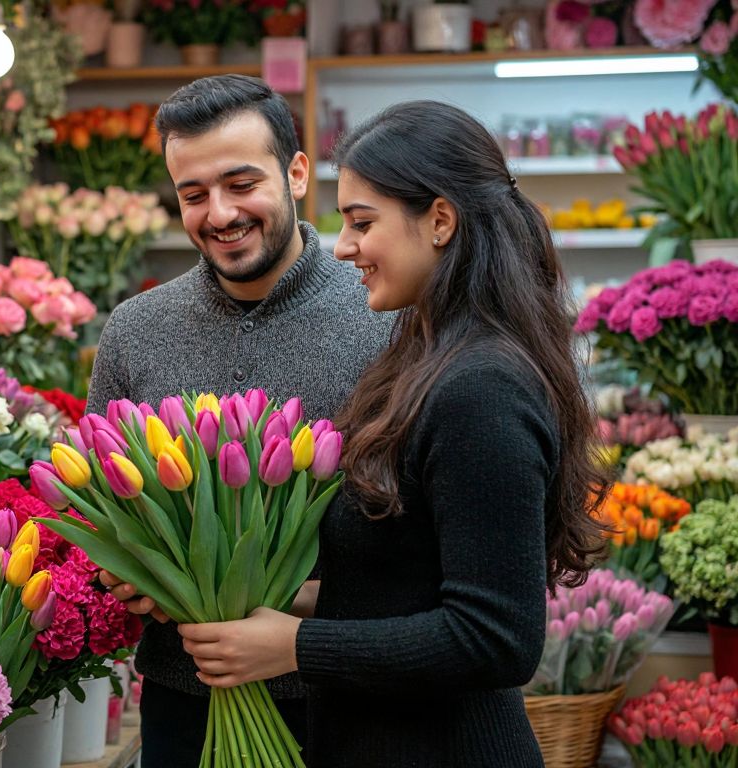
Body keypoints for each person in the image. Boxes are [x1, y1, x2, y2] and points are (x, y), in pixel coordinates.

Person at [173, 100, 610, 766]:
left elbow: (496, 637)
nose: (343, 246)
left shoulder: (480, 388)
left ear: (439, 220)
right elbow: (411, 580)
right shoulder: (425, 359)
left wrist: (292, 646)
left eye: (361, 222)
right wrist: (279, 593)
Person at [85, 74, 393, 767]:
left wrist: (309, 603)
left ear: (297, 173)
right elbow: (107, 511)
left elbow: (421, 537)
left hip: (350, 699)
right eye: (193, 194)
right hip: (182, 702)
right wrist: (127, 572)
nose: (219, 213)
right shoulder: (136, 330)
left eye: (241, 183)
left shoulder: (384, 315)